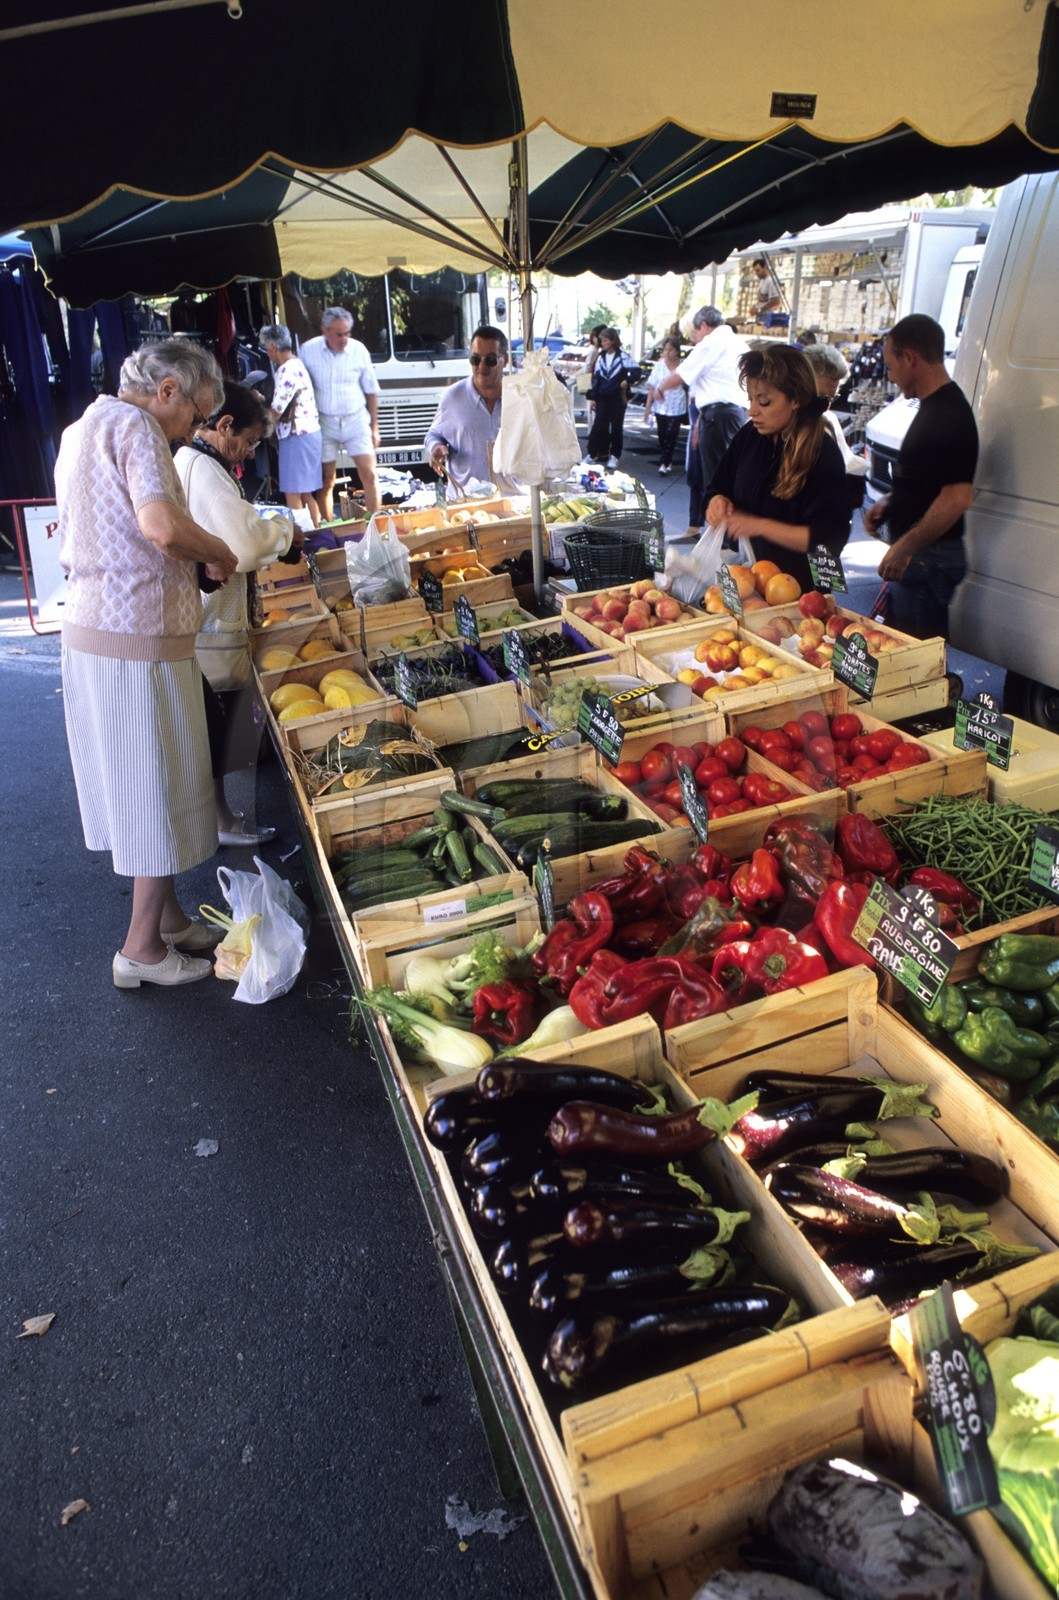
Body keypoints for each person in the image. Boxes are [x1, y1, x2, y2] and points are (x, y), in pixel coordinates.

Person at [56, 339, 238, 989]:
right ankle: (141, 950)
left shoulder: (84, 425)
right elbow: (159, 525)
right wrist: (214, 549)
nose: (192, 431)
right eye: (194, 416)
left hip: (98, 630)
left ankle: (166, 922)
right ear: (167, 390)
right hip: (133, 637)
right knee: (154, 788)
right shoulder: (135, 428)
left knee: (145, 782)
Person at [174, 381, 298, 845]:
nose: (246, 455)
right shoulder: (201, 467)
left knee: (215, 725)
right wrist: (284, 535)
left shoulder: (197, 461)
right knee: (216, 727)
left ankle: (219, 816)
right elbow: (242, 545)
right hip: (210, 624)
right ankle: (220, 822)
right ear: (223, 425)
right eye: (245, 442)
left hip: (207, 620)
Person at [863, 313, 979, 639]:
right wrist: (889, 503)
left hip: (929, 559)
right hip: (924, 557)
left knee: (917, 666)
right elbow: (929, 482)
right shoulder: (933, 407)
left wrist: (904, 546)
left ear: (909, 358)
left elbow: (957, 497)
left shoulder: (948, 413)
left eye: (890, 366)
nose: (890, 376)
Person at [704, 344, 851, 597]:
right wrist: (717, 501)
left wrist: (759, 526)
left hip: (798, 595)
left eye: (764, 401)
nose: (752, 411)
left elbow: (827, 539)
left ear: (796, 399)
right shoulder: (750, 436)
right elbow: (718, 486)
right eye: (751, 400)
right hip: (748, 585)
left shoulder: (822, 454)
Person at [298, 307, 381, 520]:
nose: (344, 339)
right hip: (324, 421)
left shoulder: (359, 350)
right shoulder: (308, 350)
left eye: (347, 333)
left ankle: (374, 525)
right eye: (339, 334)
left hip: (355, 419)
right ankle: (329, 526)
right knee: (326, 480)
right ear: (325, 331)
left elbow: (371, 390)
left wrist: (374, 427)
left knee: (369, 474)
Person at [657, 305, 749, 494]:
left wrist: (661, 388)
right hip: (740, 415)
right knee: (733, 474)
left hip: (718, 417)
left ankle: (719, 521)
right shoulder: (740, 344)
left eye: (696, 332)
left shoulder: (710, 343)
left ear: (704, 326)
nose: (696, 337)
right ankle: (727, 522)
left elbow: (681, 375)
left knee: (717, 478)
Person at [424, 325, 520, 493]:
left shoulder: (521, 398)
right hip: (465, 503)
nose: (481, 366)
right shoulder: (452, 397)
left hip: (513, 500)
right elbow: (433, 434)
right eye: (475, 359)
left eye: (490, 359)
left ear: (504, 360)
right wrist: (436, 446)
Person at [258, 323, 323, 530]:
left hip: (297, 436)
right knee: (305, 493)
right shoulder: (297, 364)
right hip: (308, 434)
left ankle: (302, 540)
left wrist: (257, 430)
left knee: (293, 494)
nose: (267, 354)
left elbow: (277, 410)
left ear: (274, 347)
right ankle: (317, 532)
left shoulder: (286, 370)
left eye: (267, 349)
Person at [801, 342, 869, 507]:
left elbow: (847, 463)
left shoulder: (828, 420)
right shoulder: (769, 424)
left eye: (833, 398)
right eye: (822, 398)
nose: (828, 406)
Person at [585, 327, 631, 469]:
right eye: (601, 340)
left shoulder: (623, 356)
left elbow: (636, 371)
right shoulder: (601, 357)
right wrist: (593, 397)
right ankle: (591, 454)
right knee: (598, 426)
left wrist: (627, 381)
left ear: (612, 341)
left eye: (605, 340)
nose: (602, 343)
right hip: (603, 397)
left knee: (617, 427)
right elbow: (597, 379)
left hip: (617, 397)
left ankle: (615, 455)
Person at [642, 336, 687, 474]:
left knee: (672, 434)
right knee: (662, 435)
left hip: (677, 403)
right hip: (660, 405)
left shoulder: (683, 365)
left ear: (677, 351)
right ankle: (667, 459)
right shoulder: (659, 365)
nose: (667, 352)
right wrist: (647, 409)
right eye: (665, 349)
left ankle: (664, 462)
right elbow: (652, 388)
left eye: (670, 350)